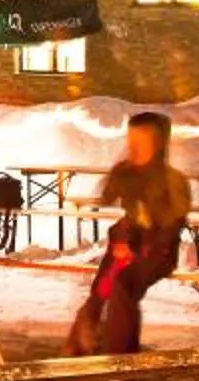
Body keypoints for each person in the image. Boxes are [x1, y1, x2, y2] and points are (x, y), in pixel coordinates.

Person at [63, 111, 189, 366]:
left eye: (142, 140)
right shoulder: (128, 172)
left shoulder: (172, 180)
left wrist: (142, 247)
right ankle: (76, 352)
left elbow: (170, 225)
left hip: (158, 252)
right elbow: (108, 196)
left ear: (158, 143)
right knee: (102, 287)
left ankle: (120, 359)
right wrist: (122, 240)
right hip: (127, 243)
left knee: (123, 284)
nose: (135, 146)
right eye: (132, 140)